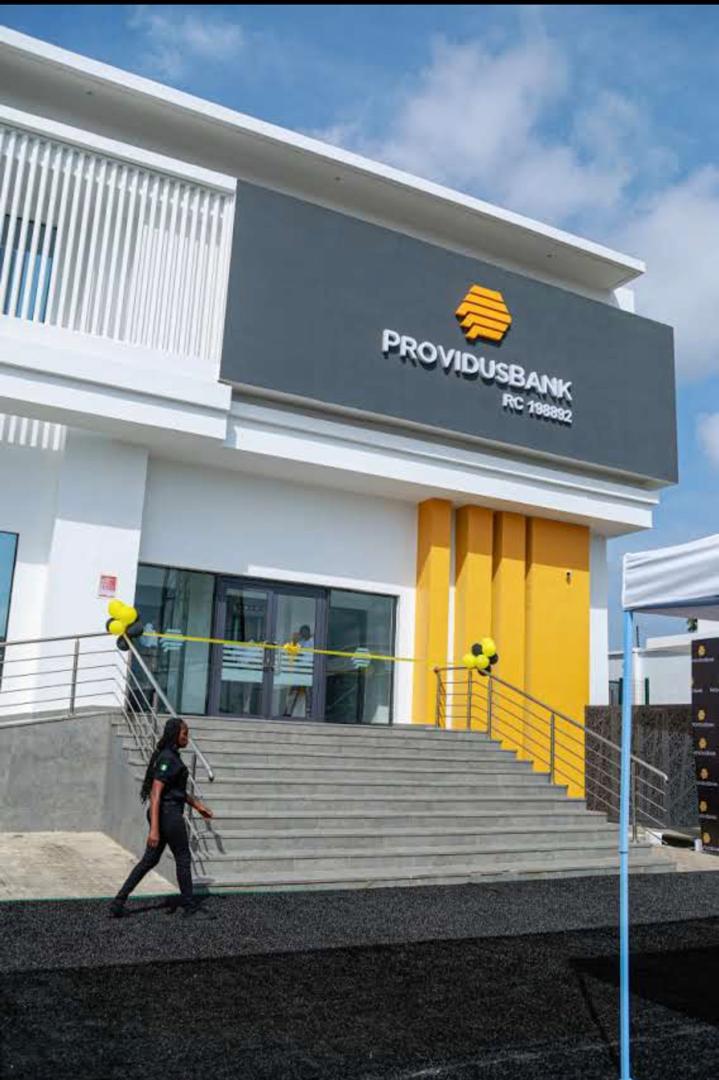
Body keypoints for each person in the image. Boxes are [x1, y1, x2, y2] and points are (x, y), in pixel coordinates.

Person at [109, 716, 213, 918]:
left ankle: (118, 902)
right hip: (168, 814)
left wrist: (198, 806)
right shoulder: (167, 758)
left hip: (165, 812)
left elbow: (175, 790)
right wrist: (154, 829)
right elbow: (156, 793)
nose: (187, 737)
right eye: (185, 734)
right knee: (183, 858)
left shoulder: (170, 756)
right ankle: (190, 907)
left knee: (149, 860)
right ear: (175, 734)